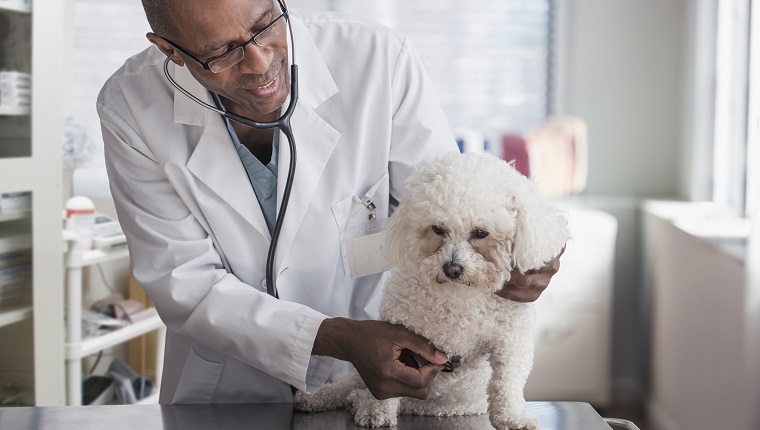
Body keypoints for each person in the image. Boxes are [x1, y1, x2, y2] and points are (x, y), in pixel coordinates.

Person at [97, 0, 563, 404]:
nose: (258, 63)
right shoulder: (132, 107)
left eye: (265, 24)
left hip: (376, 378)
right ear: (170, 51)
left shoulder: (378, 60)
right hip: (226, 387)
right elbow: (184, 282)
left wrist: (528, 255)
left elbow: (451, 202)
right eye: (221, 53)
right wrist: (338, 337)